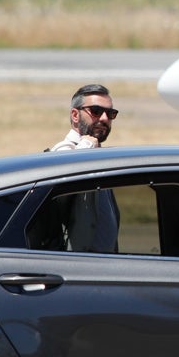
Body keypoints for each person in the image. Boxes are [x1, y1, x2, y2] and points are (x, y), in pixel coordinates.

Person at [44, 84, 121, 252]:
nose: (104, 118)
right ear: (75, 115)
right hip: (75, 266)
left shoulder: (98, 154)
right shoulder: (63, 151)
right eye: (95, 111)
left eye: (110, 113)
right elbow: (63, 186)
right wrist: (86, 147)